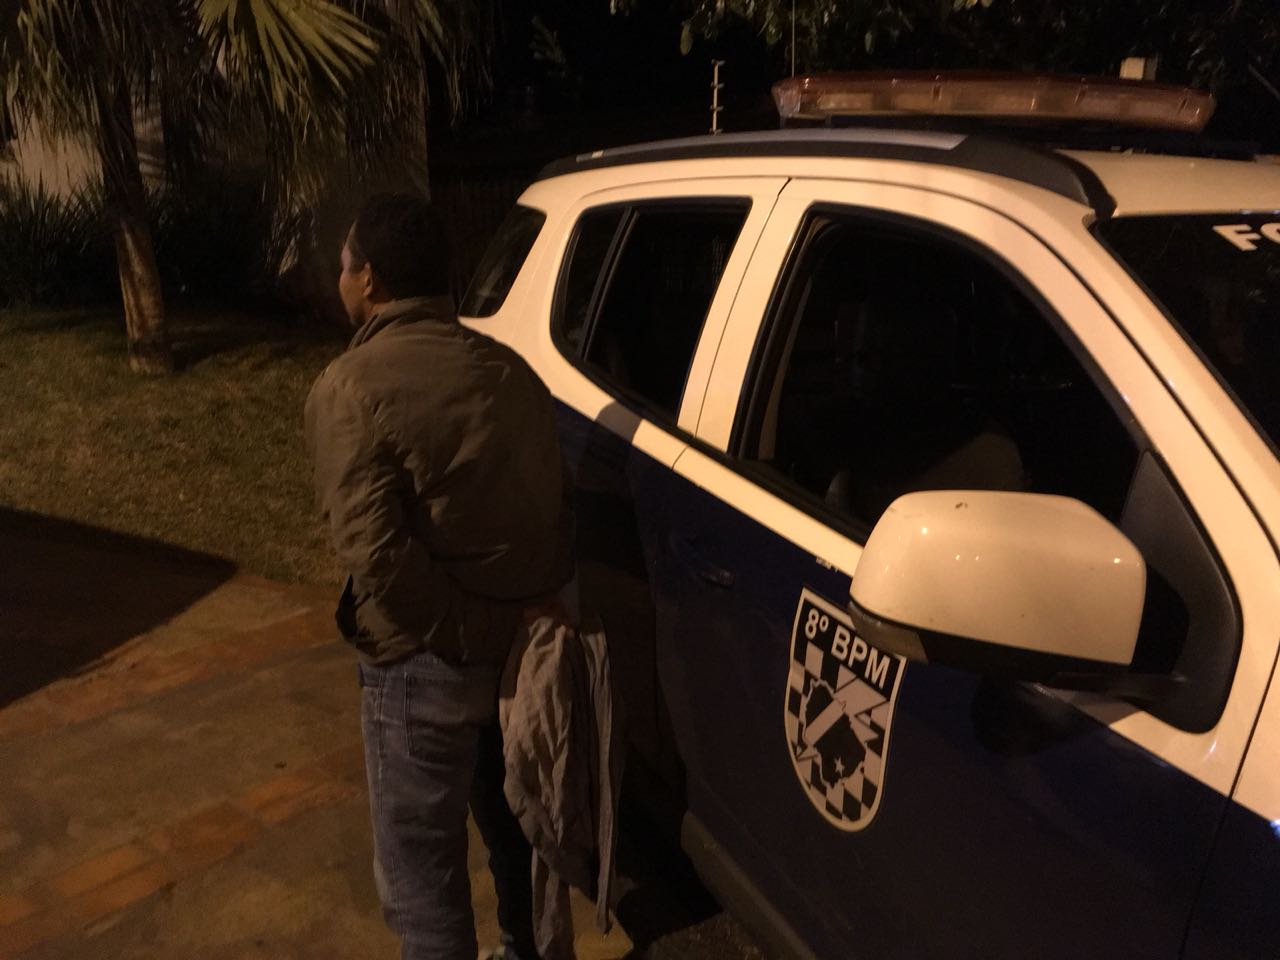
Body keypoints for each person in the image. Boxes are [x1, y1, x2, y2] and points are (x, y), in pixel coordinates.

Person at [304, 194, 573, 960]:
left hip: (425, 666)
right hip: (521, 658)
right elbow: (552, 511)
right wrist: (513, 621)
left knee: (423, 886)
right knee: (516, 835)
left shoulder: (349, 388)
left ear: (370, 279)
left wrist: (470, 630)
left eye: (345, 263)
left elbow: (378, 557)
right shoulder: (511, 371)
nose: (340, 276)